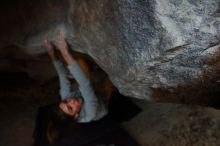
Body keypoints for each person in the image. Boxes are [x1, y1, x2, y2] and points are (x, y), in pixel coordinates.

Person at [42, 31, 108, 123]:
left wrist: (51, 54)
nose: (70, 102)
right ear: (75, 116)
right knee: (108, 85)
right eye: (70, 108)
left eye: (65, 102)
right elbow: (85, 85)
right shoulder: (90, 112)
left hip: (90, 92)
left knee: (80, 63)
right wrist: (65, 53)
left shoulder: (66, 98)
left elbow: (62, 75)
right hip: (103, 102)